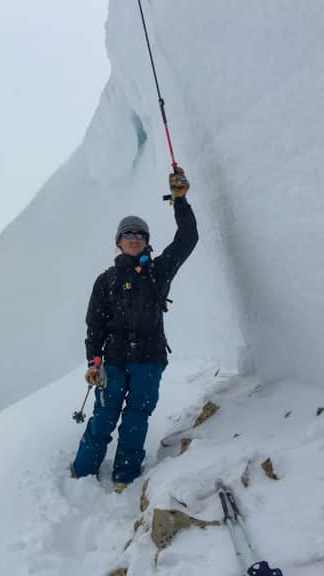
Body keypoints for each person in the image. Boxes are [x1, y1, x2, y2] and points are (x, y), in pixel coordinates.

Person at [71, 167, 198, 491]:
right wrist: (93, 362)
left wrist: (180, 202)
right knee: (103, 417)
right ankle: (82, 474)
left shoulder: (159, 270)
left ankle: (125, 476)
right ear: (118, 242)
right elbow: (94, 324)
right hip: (113, 361)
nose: (135, 238)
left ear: (146, 242)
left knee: (135, 420)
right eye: (128, 234)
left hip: (149, 359)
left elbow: (187, 240)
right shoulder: (106, 280)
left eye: (140, 235)